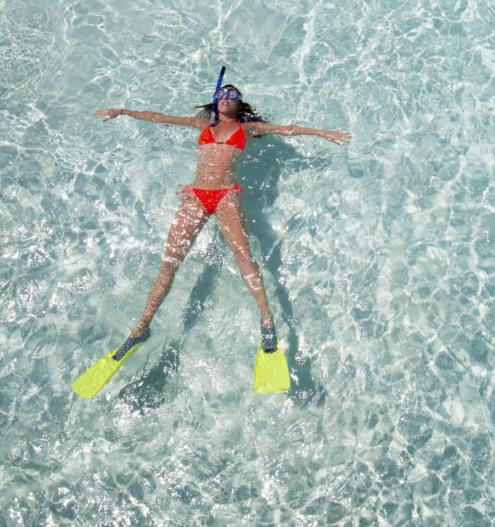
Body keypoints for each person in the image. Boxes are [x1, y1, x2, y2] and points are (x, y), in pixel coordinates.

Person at [94, 83, 350, 358]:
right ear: (215, 101)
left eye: (232, 95)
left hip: (227, 197)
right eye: (221, 94)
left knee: (245, 258)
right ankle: (142, 326)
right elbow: (160, 117)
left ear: (240, 104)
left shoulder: (247, 129)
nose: (225, 97)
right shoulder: (201, 123)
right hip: (195, 197)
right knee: (170, 263)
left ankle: (267, 320)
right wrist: (122, 111)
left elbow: (287, 129)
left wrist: (322, 133)